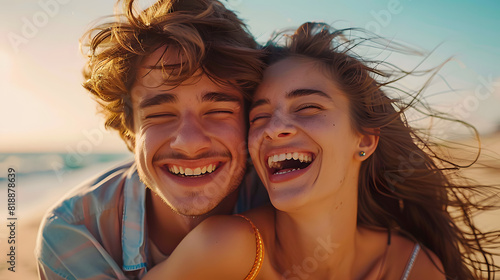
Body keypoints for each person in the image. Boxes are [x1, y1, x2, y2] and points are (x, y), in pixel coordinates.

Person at [143, 22, 500, 279]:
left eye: (308, 108)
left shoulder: (409, 266)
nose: (275, 127)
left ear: (364, 140)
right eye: (260, 116)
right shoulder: (223, 249)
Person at [35, 0, 269, 278]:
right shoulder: (75, 231)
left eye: (218, 111)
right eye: (160, 114)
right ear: (130, 131)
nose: (190, 142)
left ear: (249, 122)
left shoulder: (283, 198)